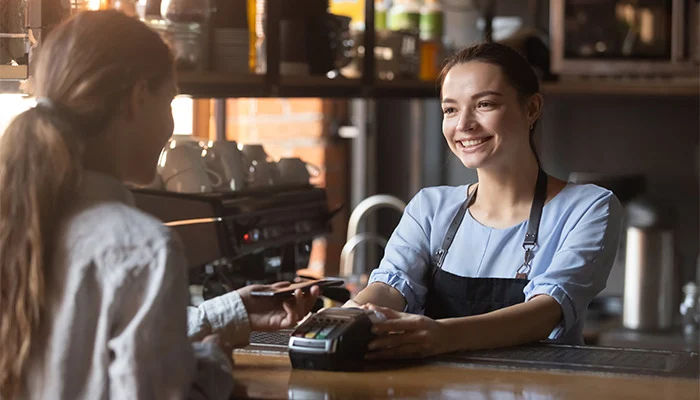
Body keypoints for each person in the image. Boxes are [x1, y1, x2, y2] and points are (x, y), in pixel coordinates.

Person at [0, 10, 318, 400]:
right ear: (137, 99)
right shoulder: (144, 248)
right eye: (169, 100)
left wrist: (231, 312)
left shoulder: (15, 218)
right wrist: (211, 367)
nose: (170, 126)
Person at [346, 42, 624, 359]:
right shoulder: (429, 208)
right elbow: (391, 288)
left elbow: (546, 312)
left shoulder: (588, 207)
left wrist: (443, 336)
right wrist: (345, 318)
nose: (463, 124)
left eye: (485, 104)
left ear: (532, 108)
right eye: (450, 109)